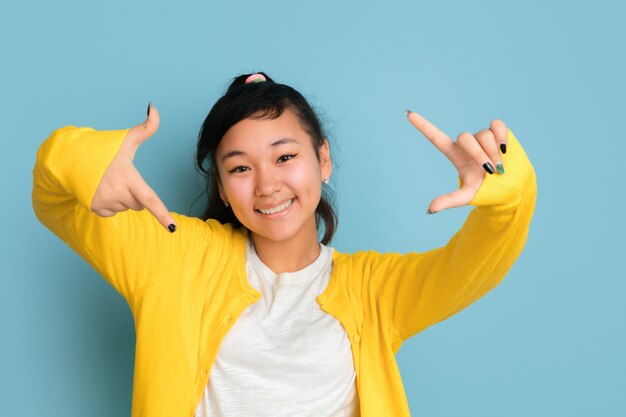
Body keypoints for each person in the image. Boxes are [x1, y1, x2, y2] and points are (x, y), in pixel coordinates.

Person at [32, 72, 537, 417]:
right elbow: (54, 190)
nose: (267, 184)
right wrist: (89, 165)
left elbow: (476, 264)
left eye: (284, 156)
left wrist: (509, 199)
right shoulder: (172, 255)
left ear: (323, 159)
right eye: (240, 168)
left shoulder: (372, 290)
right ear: (224, 192)